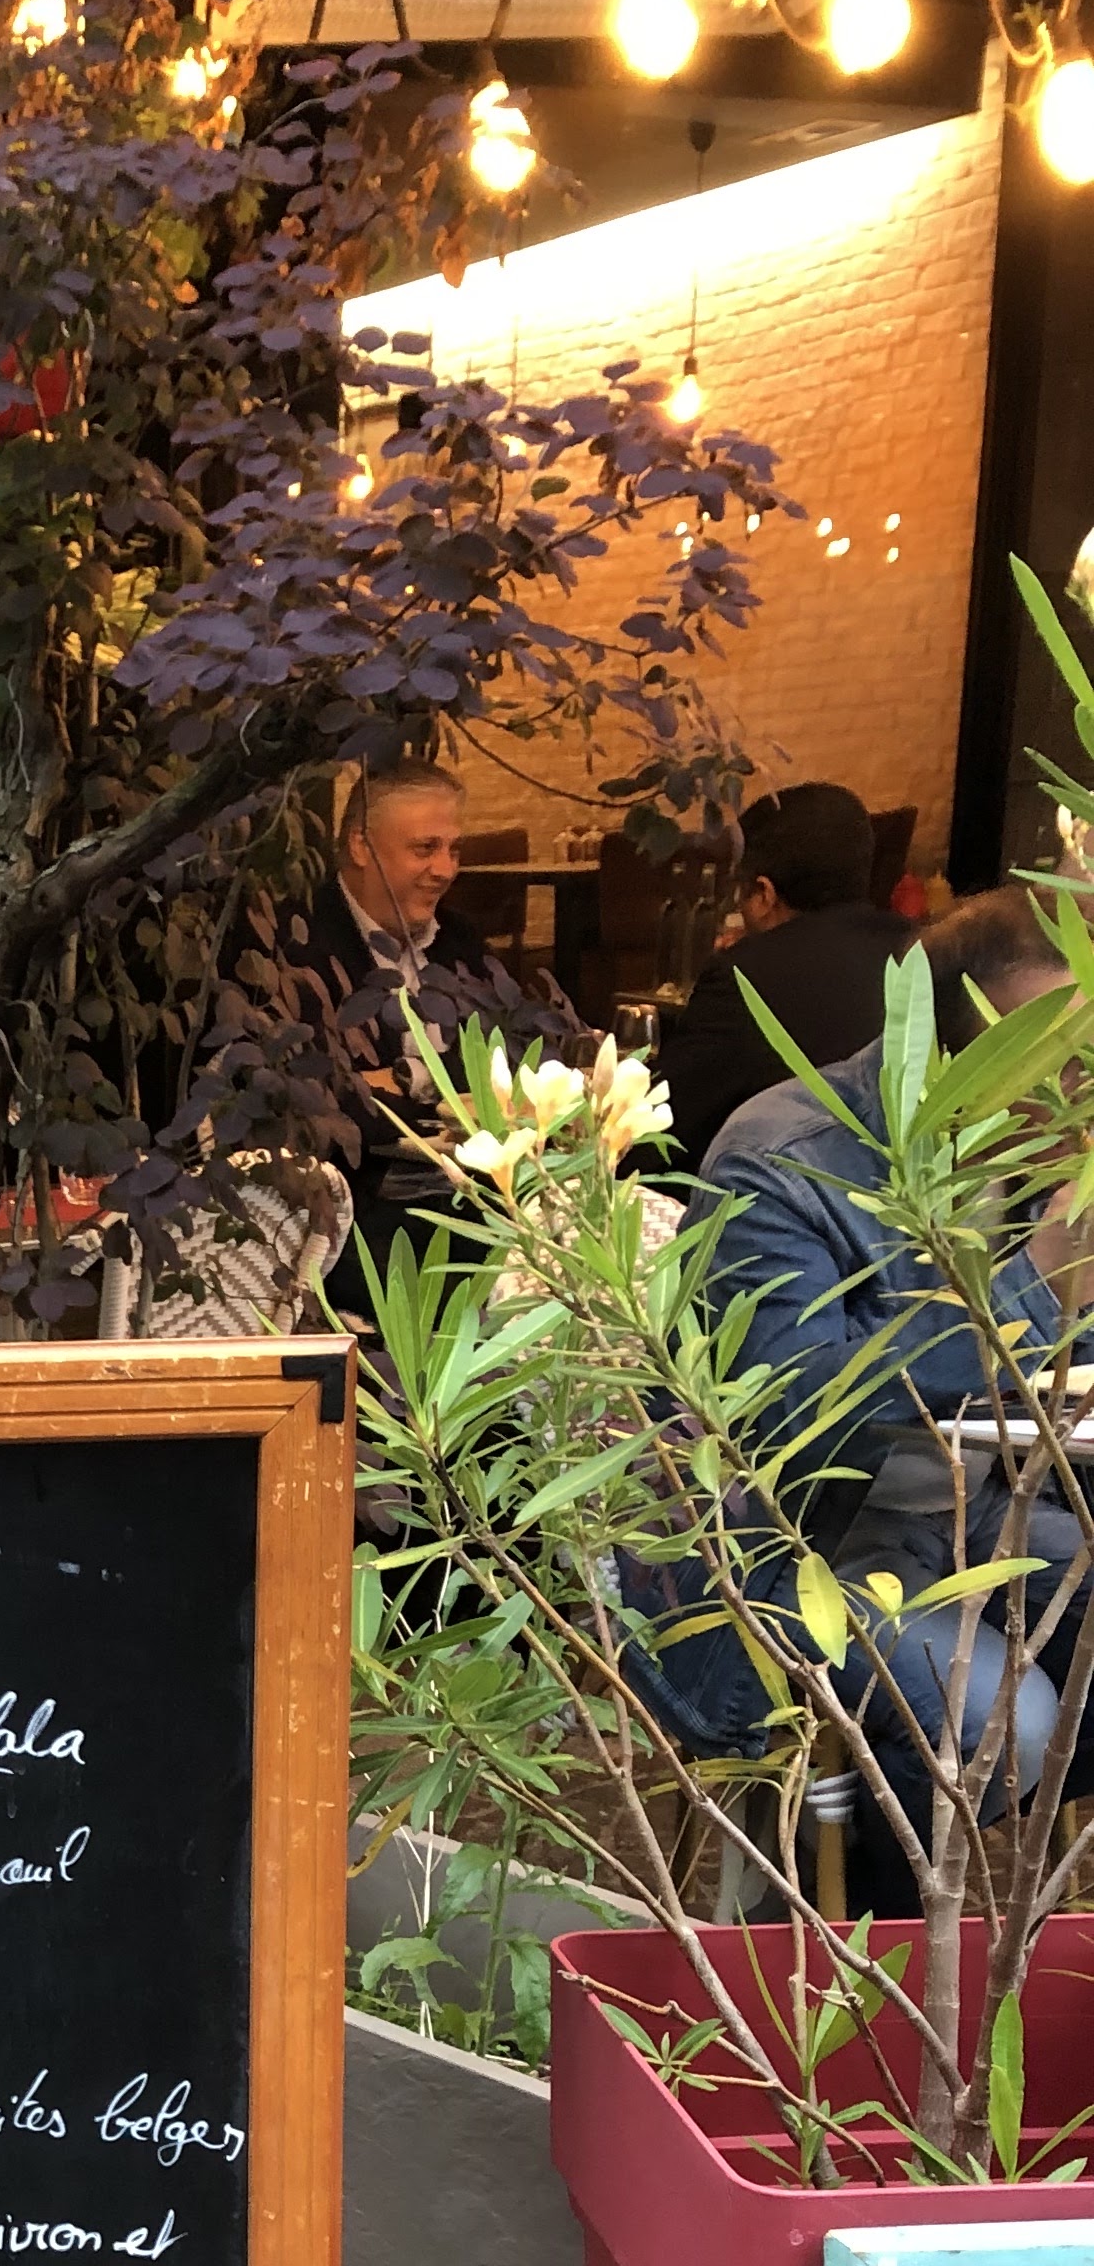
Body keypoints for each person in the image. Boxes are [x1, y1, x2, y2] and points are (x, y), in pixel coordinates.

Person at [630, 886, 1081, 1874]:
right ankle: (868, 1928)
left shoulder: (1040, 1158)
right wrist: (1037, 1284)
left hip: (974, 1519)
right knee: (1005, 1719)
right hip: (788, 1546)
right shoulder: (781, 1160)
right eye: (1049, 1057)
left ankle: (999, 1932)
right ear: (949, 1045)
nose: (1072, 1090)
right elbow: (796, 1413)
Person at [285, 755, 577, 1297]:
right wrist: (443, 1088)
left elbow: (514, 1060)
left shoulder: (459, 941)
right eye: (425, 848)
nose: (445, 870)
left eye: (453, 849)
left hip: (481, 1192)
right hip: (362, 1217)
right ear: (361, 846)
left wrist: (397, 1079)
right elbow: (322, 1106)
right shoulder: (299, 946)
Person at [655, 780, 912, 1167]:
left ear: (763, 893)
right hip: (915, 1197)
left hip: (784, 1196)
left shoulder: (744, 978)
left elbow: (660, 1132)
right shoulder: (926, 954)